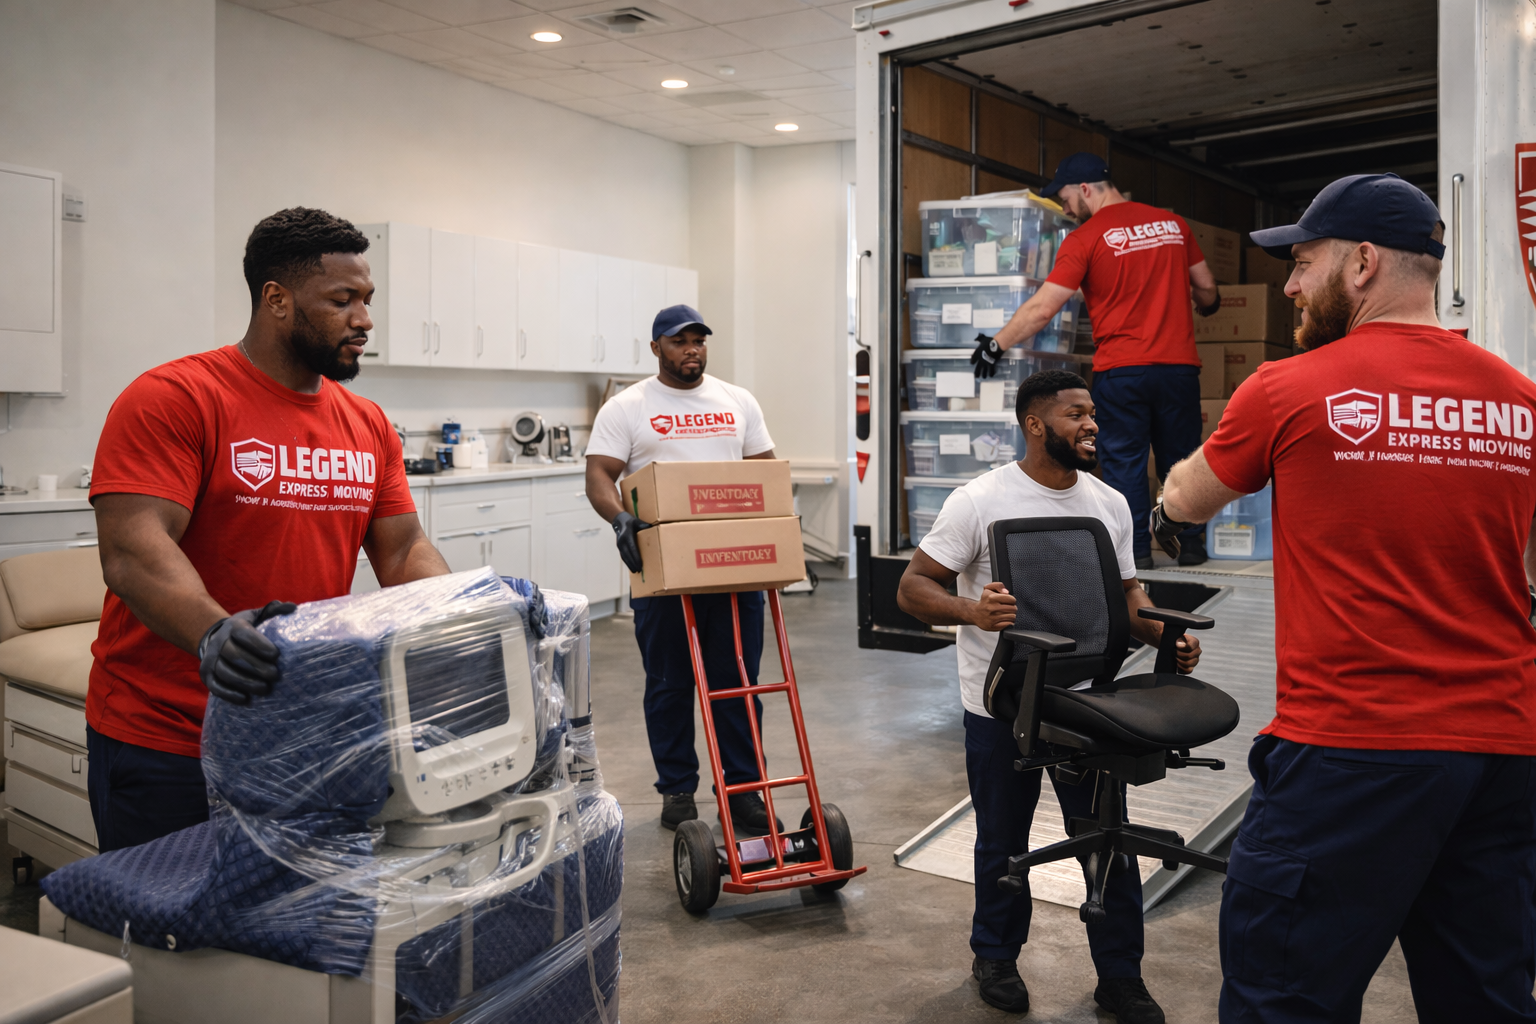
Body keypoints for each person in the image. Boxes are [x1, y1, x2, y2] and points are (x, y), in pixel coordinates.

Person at [1154, 173, 1536, 1022]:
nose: (1290, 285)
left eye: (1303, 262)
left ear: (1362, 263)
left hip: (1354, 749)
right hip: (1503, 753)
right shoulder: (1521, 401)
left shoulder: (1290, 387)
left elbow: (1186, 500)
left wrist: (1163, 499)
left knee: (1283, 994)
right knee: (1486, 999)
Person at [87, 207, 451, 853]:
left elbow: (403, 549)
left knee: (286, 940)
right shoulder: (175, 396)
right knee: (175, 940)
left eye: (367, 300)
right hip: (169, 736)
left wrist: (461, 617)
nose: (364, 320)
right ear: (276, 300)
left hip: (300, 729)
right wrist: (211, 632)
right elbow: (134, 549)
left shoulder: (365, 422)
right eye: (343, 300)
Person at [897, 369, 1200, 1023]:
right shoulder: (979, 501)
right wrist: (970, 613)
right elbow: (913, 587)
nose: (1092, 424)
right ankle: (996, 957)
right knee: (1002, 841)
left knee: (1104, 839)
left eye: (1093, 414)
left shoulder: (1109, 502)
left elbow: (1129, 597)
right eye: (1075, 414)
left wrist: (1162, 633)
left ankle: (1119, 977)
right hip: (1003, 704)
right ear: (1035, 425)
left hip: (1089, 699)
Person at [584, 304, 783, 836]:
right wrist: (620, 517)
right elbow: (599, 475)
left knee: (737, 683)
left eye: (698, 339)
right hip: (663, 569)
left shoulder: (737, 401)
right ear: (656, 348)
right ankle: (677, 789)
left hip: (733, 570)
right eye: (678, 341)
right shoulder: (627, 407)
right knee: (670, 684)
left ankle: (742, 792)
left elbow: (764, 476)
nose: (691, 348)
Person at [973, 152, 1222, 568]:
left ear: (1086, 189)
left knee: (1124, 463)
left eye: (1067, 198)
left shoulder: (1085, 239)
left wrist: (995, 345)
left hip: (1121, 371)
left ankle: (1136, 555)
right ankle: (1192, 547)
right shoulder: (1174, 226)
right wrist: (1200, 306)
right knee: (1181, 458)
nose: (1067, 208)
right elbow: (1208, 290)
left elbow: (1042, 309)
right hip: (1178, 367)